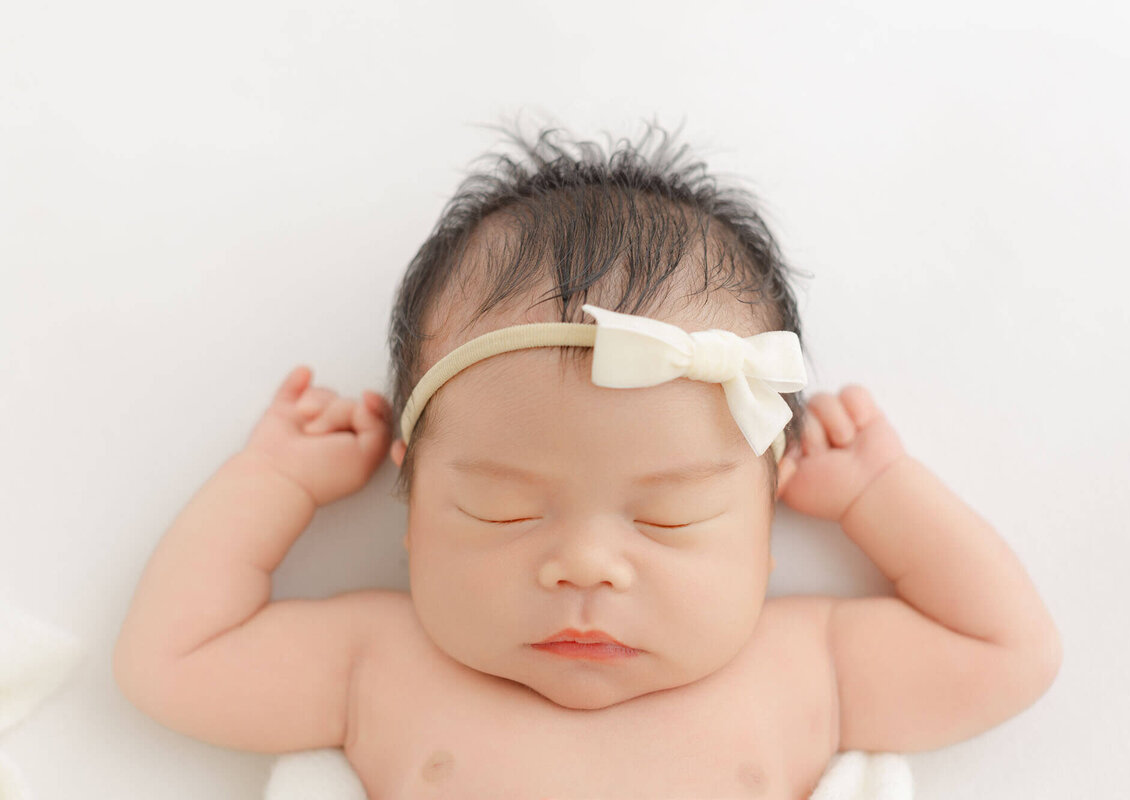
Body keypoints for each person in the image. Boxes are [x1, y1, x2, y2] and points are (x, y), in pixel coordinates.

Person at [113, 120, 1062, 799]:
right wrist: (272, 485)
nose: (584, 566)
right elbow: (171, 662)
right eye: (500, 508)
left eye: (670, 517)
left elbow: (1008, 652)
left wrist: (880, 495)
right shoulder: (380, 662)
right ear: (409, 502)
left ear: (771, 509)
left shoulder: (804, 665)